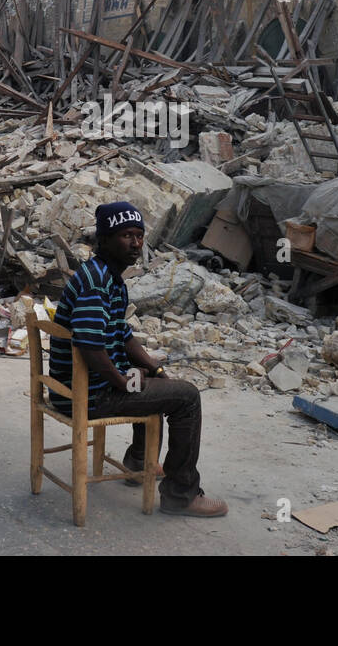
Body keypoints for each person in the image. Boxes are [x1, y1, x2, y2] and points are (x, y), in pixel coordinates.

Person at [49, 201, 229, 517]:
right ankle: (180, 495)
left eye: (139, 235)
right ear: (103, 240)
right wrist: (123, 383)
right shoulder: (96, 284)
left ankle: (137, 462)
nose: (135, 244)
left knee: (154, 379)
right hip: (86, 395)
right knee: (186, 397)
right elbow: (91, 348)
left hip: (85, 387)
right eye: (126, 236)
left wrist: (154, 369)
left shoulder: (107, 277)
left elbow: (122, 334)